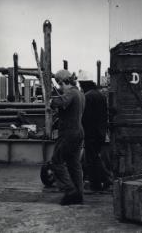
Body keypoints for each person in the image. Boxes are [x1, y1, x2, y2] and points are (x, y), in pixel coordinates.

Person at [50, 70, 85, 205]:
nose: (60, 88)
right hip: (79, 132)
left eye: (60, 85)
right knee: (74, 164)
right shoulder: (81, 94)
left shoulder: (70, 92)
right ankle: (79, 195)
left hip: (69, 133)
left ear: (62, 81)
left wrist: (52, 100)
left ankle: (70, 191)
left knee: (56, 162)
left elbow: (61, 102)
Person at [79, 80, 111, 191]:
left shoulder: (87, 96)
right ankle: (102, 180)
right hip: (101, 132)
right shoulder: (101, 95)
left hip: (91, 133)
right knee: (95, 157)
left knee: (91, 159)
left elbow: (86, 117)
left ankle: (99, 183)